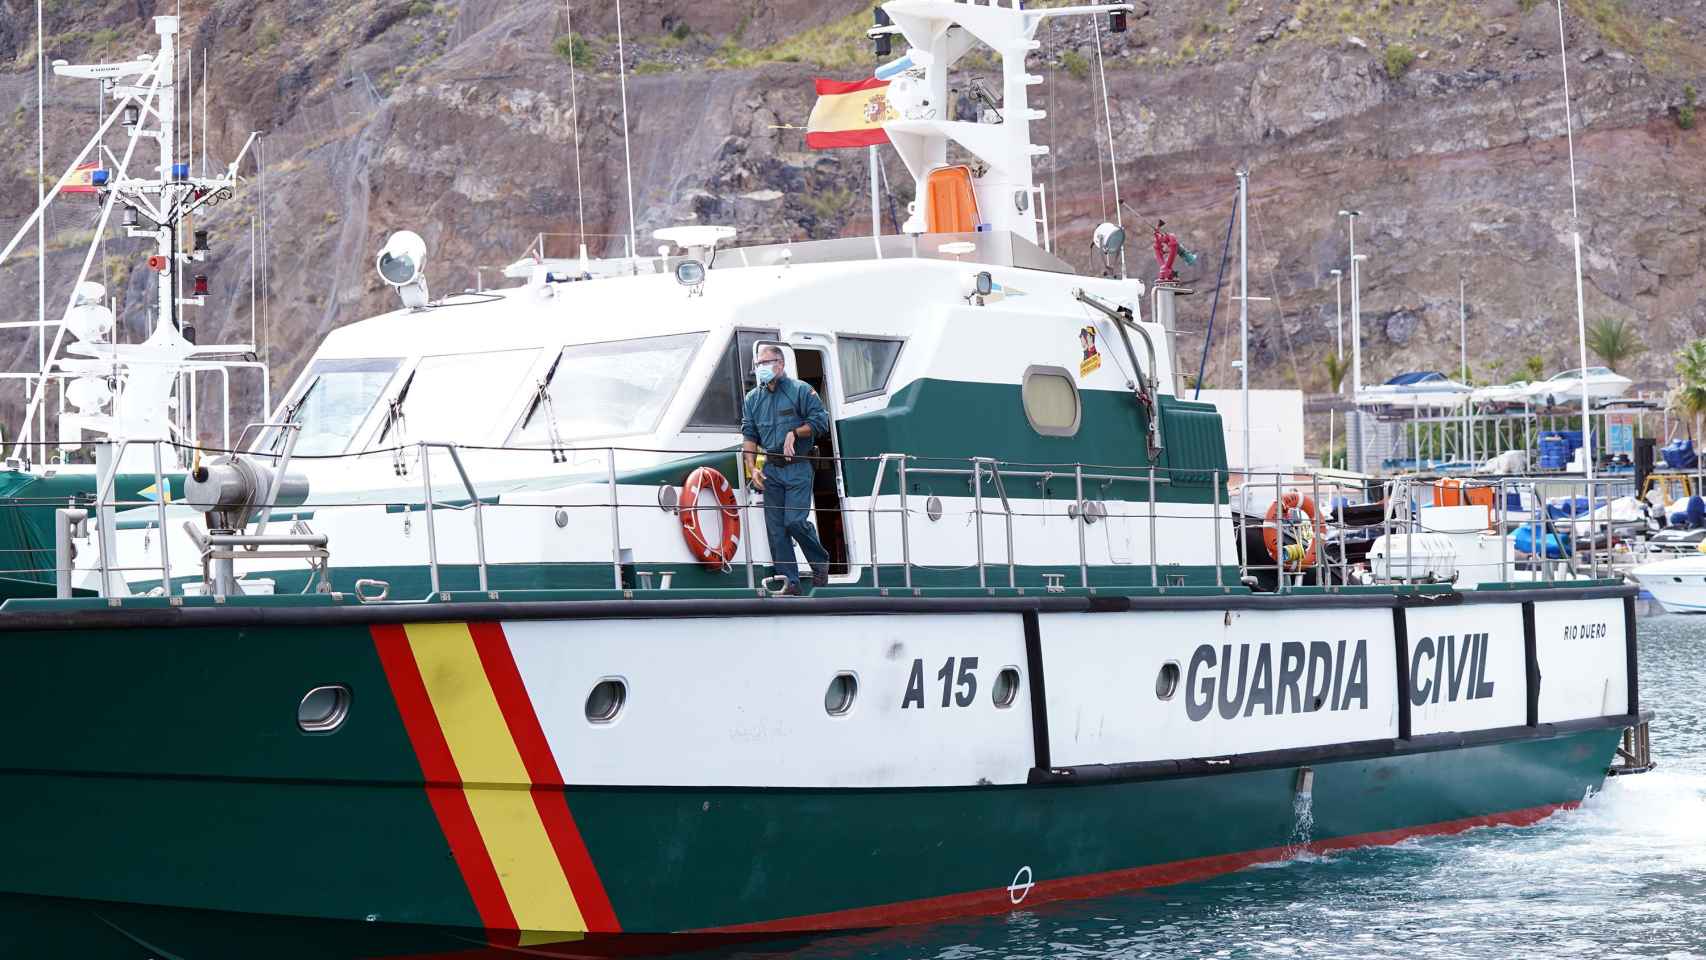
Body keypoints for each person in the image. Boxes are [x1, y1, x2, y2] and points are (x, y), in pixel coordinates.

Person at [741, 345, 831, 595]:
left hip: (799, 466)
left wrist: (795, 432)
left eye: (765, 363)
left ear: (780, 364)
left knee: (794, 522)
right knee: (776, 530)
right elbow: (749, 435)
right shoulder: (753, 399)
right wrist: (752, 469)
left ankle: (819, 560)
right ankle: (789, 582)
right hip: (772, 470)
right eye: (758, 365)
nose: (760, 369)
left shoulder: (801, 391)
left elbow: (820, 422)